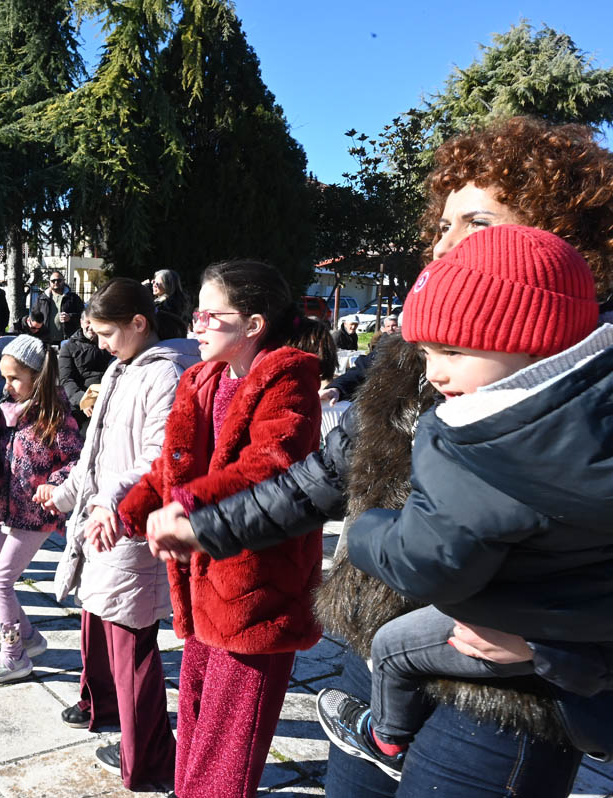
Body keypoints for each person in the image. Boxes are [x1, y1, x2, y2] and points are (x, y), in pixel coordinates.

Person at [146, 116, 613, 797]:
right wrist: (207, 526)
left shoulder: (595, 380)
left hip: (508, 693)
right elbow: (324, 475)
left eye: (476, 222)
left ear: (555, 241)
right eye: (442, 224)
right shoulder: (417, 352)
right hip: (380, 648)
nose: (443, 245)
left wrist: (554, 637)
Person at [316, 225, 610, 778]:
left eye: (451, 350)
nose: (435, 372)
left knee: (393, 648)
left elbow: (432, 563)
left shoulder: (482, 436)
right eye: (426, 352)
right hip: (572, 634)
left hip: (501, 644)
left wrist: (368, 530)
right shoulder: (593, 403)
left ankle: (384, 736)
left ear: (533, 337)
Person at [115, 261, 323, 798]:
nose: (197, 325)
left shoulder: (288, 376)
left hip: (259, 586)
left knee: (231, 741)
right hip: (203, 581)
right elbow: (171, 464)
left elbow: (269, 465)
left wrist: (187, 505)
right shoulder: (202, 378)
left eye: (211, 315)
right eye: (196, 314)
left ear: (253, 324)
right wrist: (127, 512)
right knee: (196, 717)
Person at [34, 277, 197, 790]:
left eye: (106, 333)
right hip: (102, 518)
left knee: (130, 641)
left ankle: (148, 759)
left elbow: (157, 459)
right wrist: (66, 495)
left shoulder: (166, 373)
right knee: (98, 620)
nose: (100, 344)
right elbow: (95, 453)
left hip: (130, 524)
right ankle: (106, 711)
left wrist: (108, 501)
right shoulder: (121, 366)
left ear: (139, 323)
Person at [0, 335, 83, 683]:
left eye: (14, 378)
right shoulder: (11, 411)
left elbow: (76, 459)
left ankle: (14, 654)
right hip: (10, 511)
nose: (6, 386)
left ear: (38, 377)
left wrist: (56, 483)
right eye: (3, 378)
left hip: (36, 515)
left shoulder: (55, 416)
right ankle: (31, 638)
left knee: (0, 580)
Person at [58, 309, 113, 434]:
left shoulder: (108, 344)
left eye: (95, 322)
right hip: (82, 403)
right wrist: (83, 401)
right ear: (81, 322)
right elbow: (66, 380)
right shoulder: (69, 347)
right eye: (88, 322)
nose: (91, 327)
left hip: (108, 398)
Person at [27, 270, 83, 344]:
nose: (56, 282)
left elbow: (83, 316)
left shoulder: (73, 298)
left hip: (67, 340)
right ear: (49, 282)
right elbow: (33, 316)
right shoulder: (41, 298)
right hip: (46, 340)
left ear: (63, 281)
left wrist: (70, 317)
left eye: (59, 280)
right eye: (53, 281)